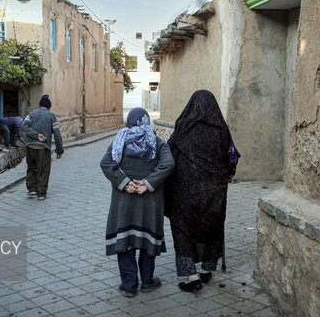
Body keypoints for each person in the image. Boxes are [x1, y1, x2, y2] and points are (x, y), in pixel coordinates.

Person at [165, 90, 240, 293]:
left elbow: (169, 153)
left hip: (184, 190)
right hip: (214, 190)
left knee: (182, 228)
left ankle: (191, 276)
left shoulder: (184, 127)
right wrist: (224, 175)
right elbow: (232, 158)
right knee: (212, 227)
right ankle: (207, 269)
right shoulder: (221, 131)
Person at [100, 108, 175, 297]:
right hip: (150, 202)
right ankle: (147, 282)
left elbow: (106, 163)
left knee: (125, 241)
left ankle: (129, 285)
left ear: (129, 122)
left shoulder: (119, 141)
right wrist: (148, 183)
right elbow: (168, 164)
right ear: (147, 122)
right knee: (147, 241)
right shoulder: (157, 142)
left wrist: (125, 183)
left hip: (124, 202)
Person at [21, 95, 64, 200]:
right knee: (43, 170)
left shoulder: (31, 114)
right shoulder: (51, 116)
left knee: (31, 168)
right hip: (43, 147)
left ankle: (32, 189)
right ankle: (41, 193)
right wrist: (59, 150)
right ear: (49, 107)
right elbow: (57, 134)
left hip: (30, 146)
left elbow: (24, 125)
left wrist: (35, 135)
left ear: (39, 105)